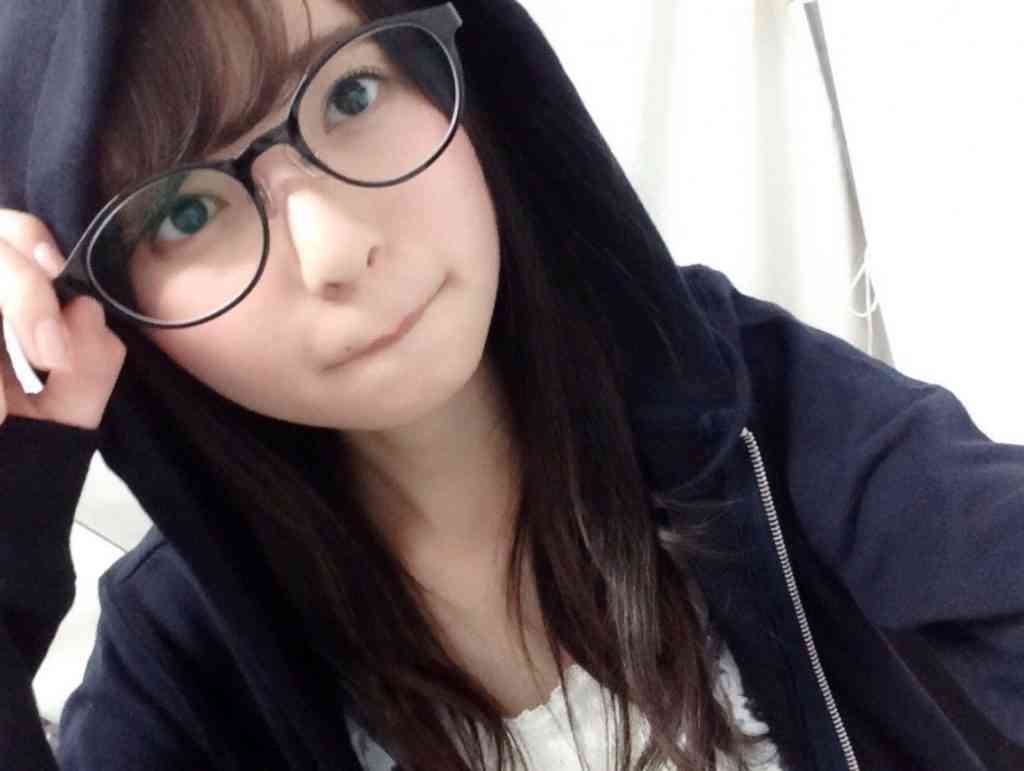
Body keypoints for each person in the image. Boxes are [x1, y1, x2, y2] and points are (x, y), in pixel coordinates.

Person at [0, 0, 1021, 769]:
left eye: (350, 95)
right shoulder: (183, 657)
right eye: (184, 211)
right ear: (106, 300)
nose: (335, 247)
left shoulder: (751, 405)